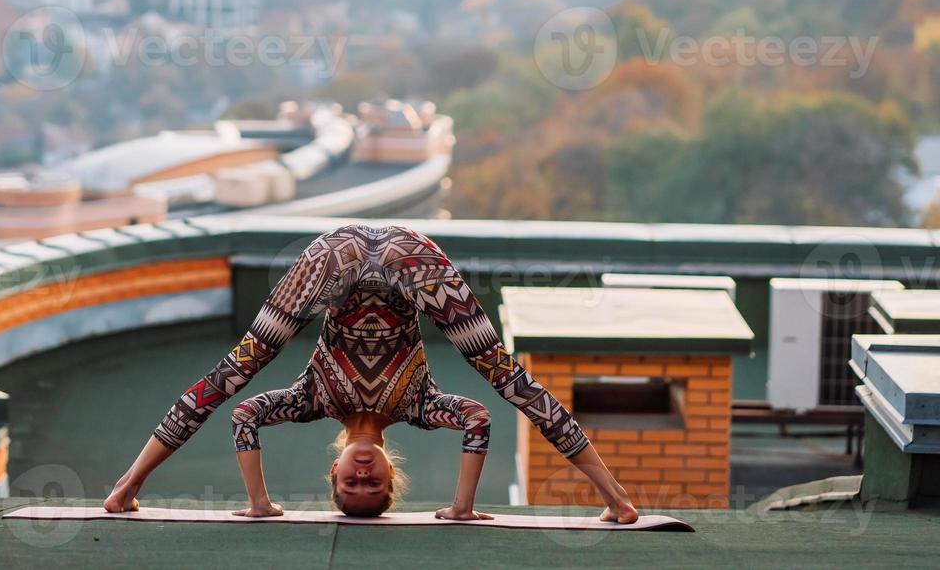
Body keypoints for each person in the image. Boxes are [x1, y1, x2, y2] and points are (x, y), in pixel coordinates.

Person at [102, 224, 638, 523]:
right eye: (373, 485)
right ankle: (616, 496)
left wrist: (259, 503)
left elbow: (242, 413)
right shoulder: (419, 407)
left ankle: (126, 485)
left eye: (351, 484)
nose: (362, 475)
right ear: (390, 475)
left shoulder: (312, 399)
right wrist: (461, 508)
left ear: (332, 473)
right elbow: (479, 417)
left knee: (233, 374)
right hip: (412, 261)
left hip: (338, 255)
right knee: (507, 379)